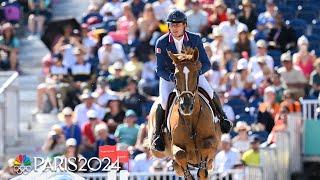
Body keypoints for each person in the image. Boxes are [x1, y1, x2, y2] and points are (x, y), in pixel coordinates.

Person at [152, 9, 232, 152]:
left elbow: (206, 63)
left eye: (178, 25)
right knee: (164, 101)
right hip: (171, 76)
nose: (175, 28)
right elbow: (159, 69)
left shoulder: (195, 38)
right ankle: (158, 134)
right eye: (172, 25)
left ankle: (222, 117)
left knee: (209, 91)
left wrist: (195, 74)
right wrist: (172, 78)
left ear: (185, 25)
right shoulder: (161, 42)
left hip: (192, 74)